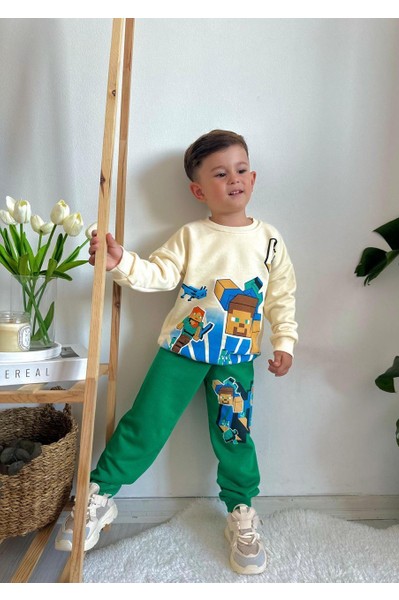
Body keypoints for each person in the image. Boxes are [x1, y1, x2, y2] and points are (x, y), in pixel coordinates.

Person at [55, 129, 298, 576]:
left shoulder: (269, 240)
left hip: (236, 357)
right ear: (198, 190)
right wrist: (120, 262)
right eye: (220, 174)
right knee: (145, 422)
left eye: (241, 170)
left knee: (234, 434)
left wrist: (285, 341)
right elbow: (159, 274)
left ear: (253, 177)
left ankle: (241, 510)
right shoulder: (192, 236)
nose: (234, 179)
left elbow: (282, 295)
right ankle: (99, 494)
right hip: (182, 350)